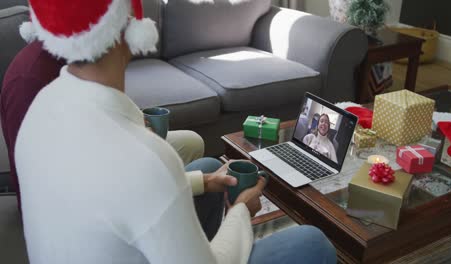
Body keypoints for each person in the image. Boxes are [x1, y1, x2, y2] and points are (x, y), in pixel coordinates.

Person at [14, 0, 337, 263]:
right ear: (128, 25)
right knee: (312, 243)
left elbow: (106, 194)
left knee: (209, 169)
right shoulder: (146, 160)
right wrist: (240, 213)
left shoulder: (40, 108)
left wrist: (202, 182)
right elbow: (133, 183)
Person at [0, 41, 204, 214]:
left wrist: (130, 124)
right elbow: (52, 180)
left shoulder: (77, 53)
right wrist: (199, 181)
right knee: (207, 171)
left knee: (191, 142)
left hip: (97, 155)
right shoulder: (29, 82)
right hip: (68, 200)